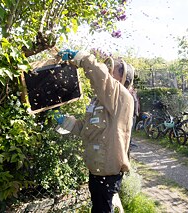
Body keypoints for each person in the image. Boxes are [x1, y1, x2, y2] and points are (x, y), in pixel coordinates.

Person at [56, 49, 135, 213]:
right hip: (96, 168)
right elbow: (84, 129)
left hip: (107, 170)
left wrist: (82, 58)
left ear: (122, 78)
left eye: (113, 68)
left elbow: (102, 78)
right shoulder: (99, 102)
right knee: (99, 208)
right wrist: (66, 121)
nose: (107, 69)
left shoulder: (122, 97)